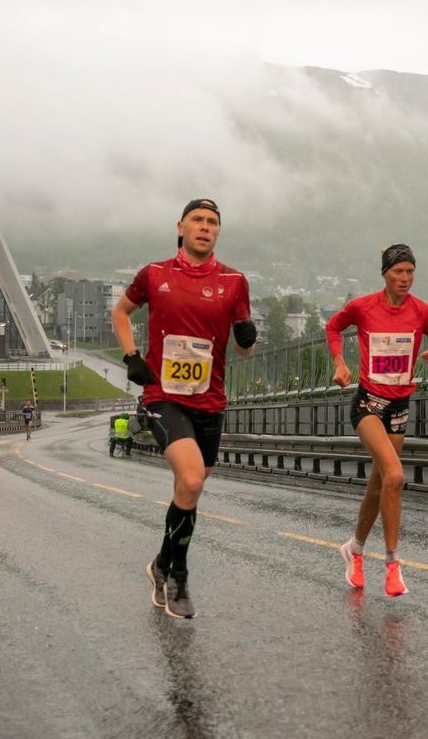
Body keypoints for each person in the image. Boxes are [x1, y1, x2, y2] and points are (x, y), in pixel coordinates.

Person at [111, 198, 257, 619]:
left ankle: (158, 563)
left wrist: (248, 336)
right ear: (181, 226)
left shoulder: (235, 281)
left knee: (190, 488)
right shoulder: (154, 274)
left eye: (213, 222)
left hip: (210, 401)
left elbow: (245, 348)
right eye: (197, 220)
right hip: (163, 396)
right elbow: (120, 312)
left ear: (218, 232)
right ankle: (179, 576)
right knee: (191, 480)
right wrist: (130, 356)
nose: (204, 227)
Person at [326, 244, 428, 597]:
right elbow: (333, 327)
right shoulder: (364, 307)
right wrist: (340, 362)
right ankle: (392, 564)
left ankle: (354, 550)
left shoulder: (422, 312)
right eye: (398, 272)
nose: (405, 278)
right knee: (396, 474)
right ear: (385, 273)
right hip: (368, 403)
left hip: (399, 408)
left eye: (410, 272)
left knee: (379, 483)